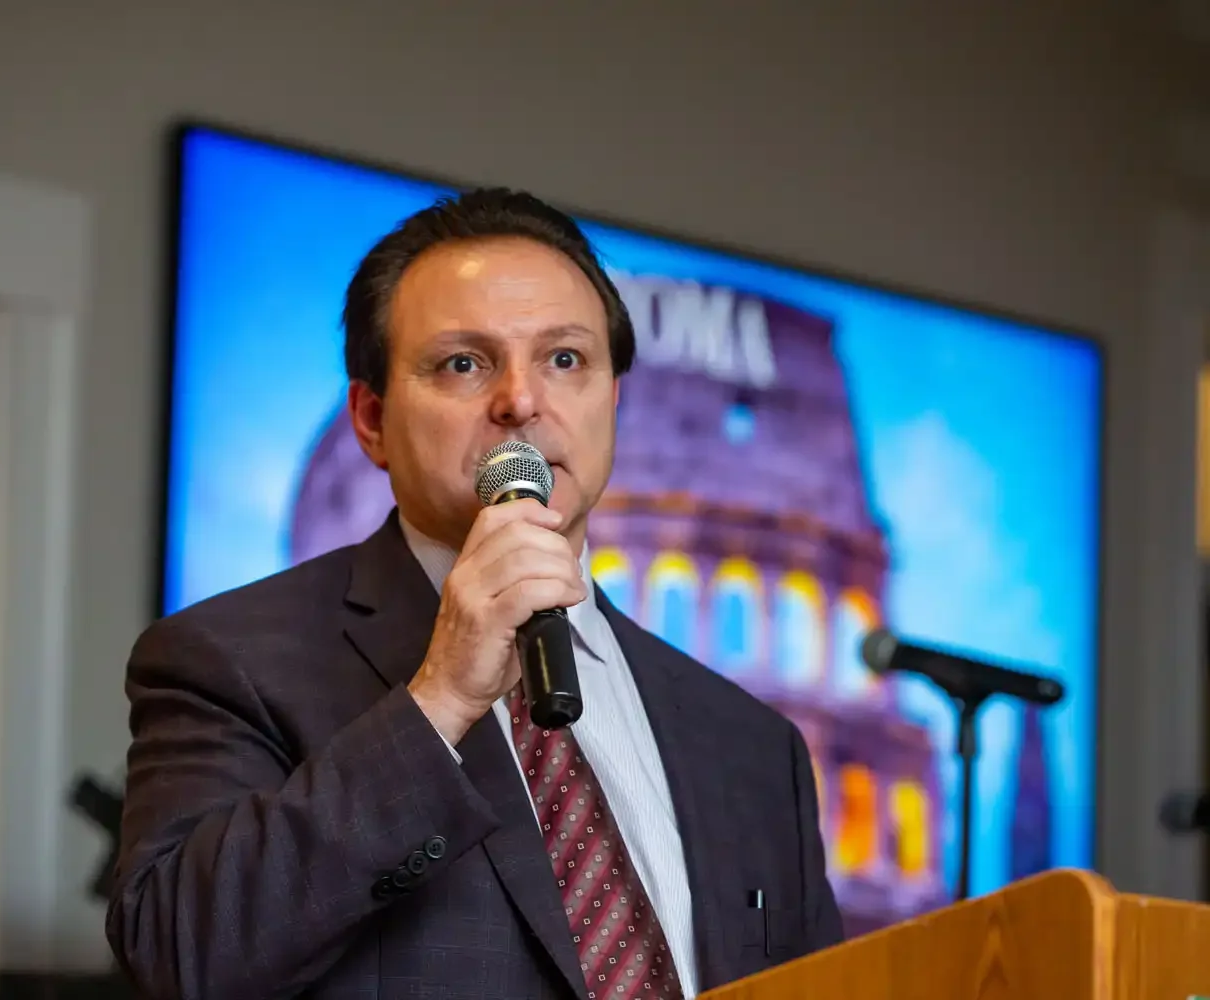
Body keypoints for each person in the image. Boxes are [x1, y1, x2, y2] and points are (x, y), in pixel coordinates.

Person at [105, 188, 844, 1000]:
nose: (522, 401)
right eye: (464, 363)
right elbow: (180, 958)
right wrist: (442, 696)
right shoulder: (228, 662)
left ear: (613, 400)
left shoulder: (751, 745)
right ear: (372, 420)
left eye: (566, 360)